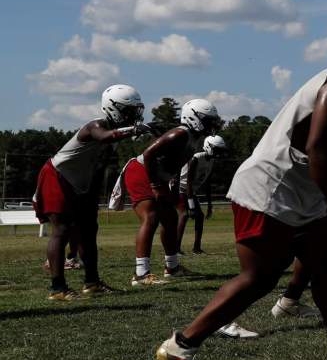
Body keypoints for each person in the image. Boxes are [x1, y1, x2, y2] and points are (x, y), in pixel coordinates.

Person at [155, 10, 327, 360]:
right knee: (258, 278)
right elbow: (318, 150)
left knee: (324, 270)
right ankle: (181, 345)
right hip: (272, 191)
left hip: (298, 192)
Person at [34, 84, 150, 300]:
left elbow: (99, 166)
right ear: (113, 108)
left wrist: (91, 197)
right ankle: (58, 288)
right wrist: (133, 130)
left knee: (88, 230)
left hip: (80, 183)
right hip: (57, 176)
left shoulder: (115, 137)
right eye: (129, 111)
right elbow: (105, 136)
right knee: (61, 229)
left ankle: (92, 282)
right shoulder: (95, 125)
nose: (134, 116)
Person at [116, 98, 222, 285]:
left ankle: (172, 268)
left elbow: (169, 160)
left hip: (157, 176)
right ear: (194, 118)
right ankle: (141, 274)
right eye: (208, 120)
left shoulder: (192, 137)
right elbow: (149, 154)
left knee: (170, 219)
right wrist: (156, 185)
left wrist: (166, 184)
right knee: (151, 217)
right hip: (141, 171)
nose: (212, 124)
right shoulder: (180, 133)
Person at [176, 135, 227, 255]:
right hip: (180, 189)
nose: (218, 153)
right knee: (184, 215)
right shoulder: (196, 158)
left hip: (190, 191)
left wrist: (210, 204)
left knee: (200, 216)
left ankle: (196, 248)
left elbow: (207, 182)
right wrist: (192, 206)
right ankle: (175, 249)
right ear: (208, 147)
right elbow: (188, 182)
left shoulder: (211, 161)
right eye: (217, 149)